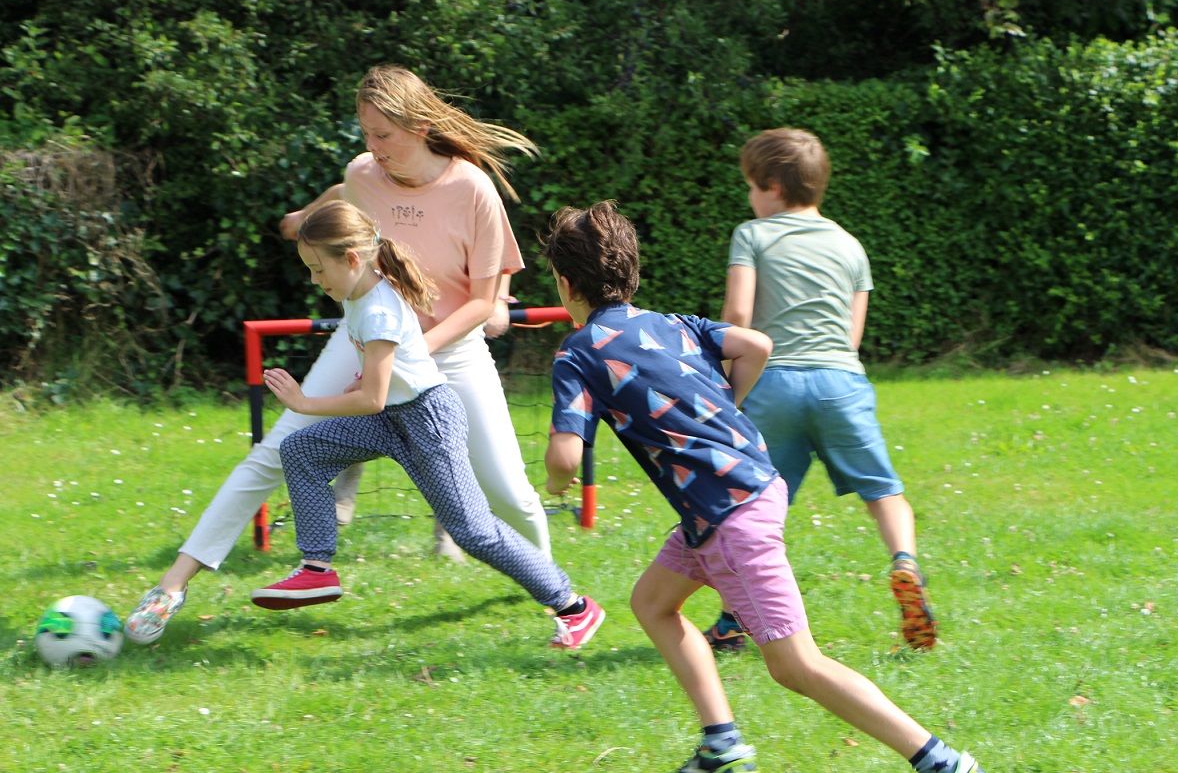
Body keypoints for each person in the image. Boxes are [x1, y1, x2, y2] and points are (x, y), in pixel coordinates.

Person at [540, 202, 984, 772]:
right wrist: (726, 409)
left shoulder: (578, 353)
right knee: (652, 604)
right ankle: (720, 744)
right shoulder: (672, 324)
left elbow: (565, 456)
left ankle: (941, 760)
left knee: (796, 665)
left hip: (729, 516)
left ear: (566, 282)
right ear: (630, 272)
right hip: (743, 492)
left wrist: (557, 483)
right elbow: (757, 346)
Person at [125, 65, 552, 644]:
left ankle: (551, 583)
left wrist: (410, 354)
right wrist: (304, 222)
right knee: (274, 451)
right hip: (361, 339)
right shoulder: (363, 175)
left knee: (506, 490)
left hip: (447, 352)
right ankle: (172, 587)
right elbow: (342, 205)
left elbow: (481, 302)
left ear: (422, 125)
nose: (372, 149)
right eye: (365, 134)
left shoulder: (471, 187)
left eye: (384, 135)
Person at [247, 201, 603, 648]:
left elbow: (370, 398)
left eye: (319, 270)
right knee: (302, 449)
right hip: (393, 419)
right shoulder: (358, 295)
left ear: (352, 259)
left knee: (473, 531)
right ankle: (316, 569)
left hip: (427, 421)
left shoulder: (375, 308)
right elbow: (382, 381)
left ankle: (574, 607)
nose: (315, 281)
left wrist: (304, 402)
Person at [702, 127, 937, 654]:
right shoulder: (850, 245)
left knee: (752, 511)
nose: (748, 197)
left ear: (771, 188)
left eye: (749, 186)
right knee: (884, 491)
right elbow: (851, 337)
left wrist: (716, 373)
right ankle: (904, 560)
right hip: (841, 383)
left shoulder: (753, 235)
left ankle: (734, 620)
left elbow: (739, 315)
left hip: (773, 384)